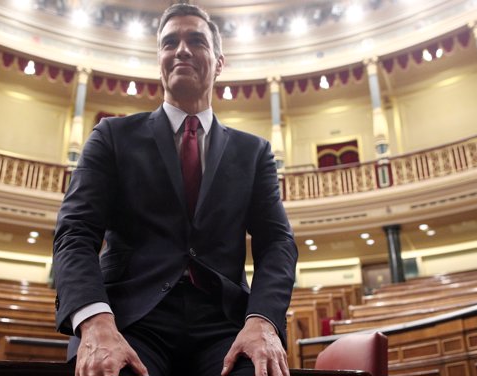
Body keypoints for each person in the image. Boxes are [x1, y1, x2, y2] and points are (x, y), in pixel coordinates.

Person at [53, 4, 298, 376]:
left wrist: (262, 320)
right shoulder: (112, 136)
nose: (181, 49)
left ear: (218, 62)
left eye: (196, 40)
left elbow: (277, 243)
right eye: (170, 43)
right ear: (160, 60)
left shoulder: (255, 152)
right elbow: (75, 233)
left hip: (226, 324)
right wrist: (95, 319)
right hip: (128, 320)